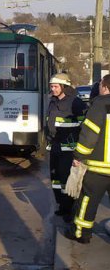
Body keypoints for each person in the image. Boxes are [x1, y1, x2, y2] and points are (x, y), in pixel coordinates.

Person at [68, 75, 110, 243]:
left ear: (105, 87)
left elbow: (89, 135)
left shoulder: (100, 104)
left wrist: (79, 156)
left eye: (100, 85)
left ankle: (81, 234)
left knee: (88, 200)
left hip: (98, 168)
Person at [45, 73, 87, 220]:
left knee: (66, 179)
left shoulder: (76, 103)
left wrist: (79, 152)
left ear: (65, 87)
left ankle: (70, 209)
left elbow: (85, 126)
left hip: (68, 150)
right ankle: (62, 206)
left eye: (56, 86)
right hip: (55, 147)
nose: (53, 89)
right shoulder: (53, 101)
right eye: (51, 86)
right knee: (55, 179)